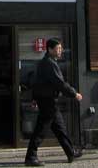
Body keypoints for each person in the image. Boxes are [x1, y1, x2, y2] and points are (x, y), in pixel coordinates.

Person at [24, 38, 83, 166]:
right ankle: (31, 157)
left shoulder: (45, 62)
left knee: (60, 128)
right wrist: (74, 94)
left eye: (61, 48)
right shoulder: (49, 63)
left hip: (47, 100)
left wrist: (35, 98)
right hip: (47, 101)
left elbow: (37, 82)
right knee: (41, 130)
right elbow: (59, 83)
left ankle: (70, 152)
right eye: (58, 48)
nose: (60, 50)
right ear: (50, 49)